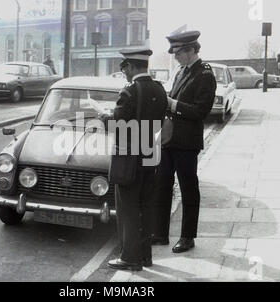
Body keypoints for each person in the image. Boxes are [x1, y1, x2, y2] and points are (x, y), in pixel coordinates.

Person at [151, 28, 217, 253]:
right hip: (170, 138)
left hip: (187, 142)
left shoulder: (205, 74)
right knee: (162, 185)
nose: (175, 56)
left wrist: (173, 104)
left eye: (178, 52)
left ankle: (188, 237)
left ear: (190, 50)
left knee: (189, 188)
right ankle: (159, 233)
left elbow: (201, 111)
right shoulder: (181, 71)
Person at [105, 48, 168, 271]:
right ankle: (145, 257)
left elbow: (118, 124)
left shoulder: (129, 92)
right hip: (150, 153)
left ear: (130, 67)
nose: (124, 73)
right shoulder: (160, 89)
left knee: (128, 208)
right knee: (146, 205)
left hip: (130, 157)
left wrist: (106, 117)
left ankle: (130, 258)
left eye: (125, 69)